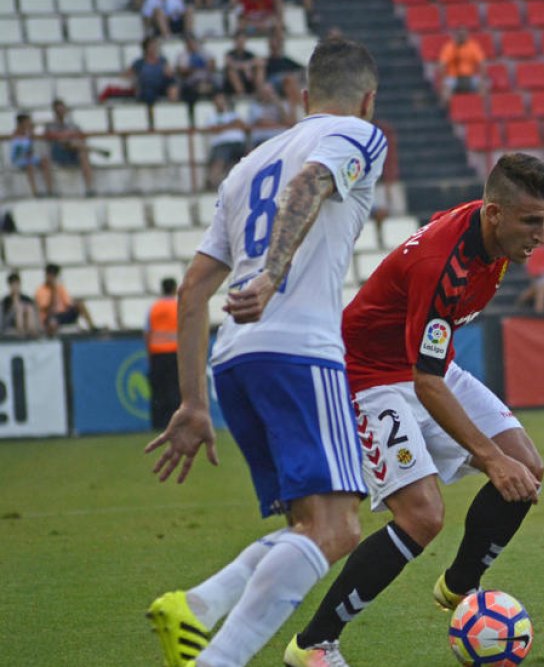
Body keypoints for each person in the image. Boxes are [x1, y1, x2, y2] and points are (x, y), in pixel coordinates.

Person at [143, 37, 386, 667]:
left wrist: (193, 402)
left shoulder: (246, 165)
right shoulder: (359, 134)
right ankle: (215, 658)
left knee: (306, 530)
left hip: (234, 360)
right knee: (337, 529)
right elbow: (310, 182)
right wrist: (274, 276)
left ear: (303, 97)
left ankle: (198, 607)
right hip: (300, 351)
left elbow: (192, 290)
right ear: (368, 99)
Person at [283, 154, 544, 665]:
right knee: (422, 516)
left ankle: (459, 587)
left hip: (429, 367)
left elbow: (432, 371)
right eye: (531, 222)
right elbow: (426, 382)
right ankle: (313, 645)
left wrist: (502, 459)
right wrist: (490, 459)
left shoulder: (493, 238)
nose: (541, 236)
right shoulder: (442, 266)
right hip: (368, 378)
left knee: (528, 467)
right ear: (494, 213)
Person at [146, 277, 181, 431]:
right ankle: (177, 422)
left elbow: (147, 332)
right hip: (175, 353)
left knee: (158, 391)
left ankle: (158, 424)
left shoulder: (154, 307)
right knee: (175, 389)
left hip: (157, 353)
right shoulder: (178, 306)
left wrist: (149, 354)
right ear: (175, 288)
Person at [35, 263, 97, 335]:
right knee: (52, 322)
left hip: (62, 315)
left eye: (54, 275)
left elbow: (68, 304)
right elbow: (48, 309)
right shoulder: (41, 290)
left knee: (79, 303)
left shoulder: (60, 288)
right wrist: (53, 292)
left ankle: (92, 327)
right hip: (50, 316)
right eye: (50, 274)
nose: (52, 277)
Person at [205, 92, 249, 190]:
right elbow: (214, 129)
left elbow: (244, 126)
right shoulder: (212, 116)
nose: (221, 102)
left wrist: (224, 127)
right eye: (218, 100)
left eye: (222, 100)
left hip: (238, 144)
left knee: (249, 157)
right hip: (221, 144)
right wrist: (232, 124)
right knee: (219, 160)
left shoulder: (235, 114)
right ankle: (212, 184)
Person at [10, 113, 54, 197]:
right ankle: (35, 192)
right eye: (27, 121)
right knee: (29, 165)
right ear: (22, 122)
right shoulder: (15, 134)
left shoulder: (28, 134)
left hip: (28, 157)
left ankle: (50, 190)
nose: (29, 123)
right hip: (19, 159)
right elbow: (18, 151)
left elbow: (30, 149)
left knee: (45, 161)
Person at [129, 36, 180, 105]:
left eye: (155, 46)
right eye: (151, 46)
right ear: (146, 48)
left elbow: (170, 73)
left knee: (173, 86)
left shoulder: (162, 60)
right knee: (148, 94)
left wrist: (169, 72)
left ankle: (173, 106)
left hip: (161, 85)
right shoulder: (139, 62)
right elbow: (128, 75)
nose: (154, 48)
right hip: (147, 87)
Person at [438, 28, 486, 100]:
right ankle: (446, 106)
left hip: (470, 76)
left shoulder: (473, 46)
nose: (462, 37)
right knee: (445, 89)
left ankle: (480, 106)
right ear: (456, 35)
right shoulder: (449, 47)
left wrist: (482, 78)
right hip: (453, 77)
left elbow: (482, 63)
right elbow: (442, 64)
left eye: (464, 35)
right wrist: (443, 80)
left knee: (483, 86)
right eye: (460, 35)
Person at [247, 82, 292, 149]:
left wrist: (280, 106)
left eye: (269, 92)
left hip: (278, 136)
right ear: (260, 94)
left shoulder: (280, 105)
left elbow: (288, 122)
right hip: (261, 136)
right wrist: (279, 125)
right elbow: (261, 123)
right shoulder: (255, 106)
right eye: (264, 93)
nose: (267, 95)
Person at [176, 35, 219, 105]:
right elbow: (182, 70)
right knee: (188, 91)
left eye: (193, 42)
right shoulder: (183, 55)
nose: (191, 45)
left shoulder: (203, 52)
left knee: (217, 87)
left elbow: (212, 65)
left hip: (206, 80)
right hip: (191, 82)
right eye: (189, 43)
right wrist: (194, 69)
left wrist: (201, 67)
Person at [2, 272, 41, 338]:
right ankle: (21, 331)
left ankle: (31, 331)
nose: (15, 287)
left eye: (16, 284)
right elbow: (4, 320)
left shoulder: (27, 299)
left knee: (29, 308)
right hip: (11, 324)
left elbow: (34, 312)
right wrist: (14, 307)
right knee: (19, 307)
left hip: (27, 322)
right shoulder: (6, 301)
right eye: (12, 285)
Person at [225, 31, 260, 97]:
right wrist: (244, 66)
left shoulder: (250, 54)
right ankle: (241, 94)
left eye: (242, 40)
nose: (240, 43)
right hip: (234, 81)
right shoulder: (230, 54)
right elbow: (229, 63)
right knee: (231, 71)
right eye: (239, 40)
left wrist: (247, 66)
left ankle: (259, 92)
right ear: (235, 41)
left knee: (259, 69)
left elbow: (258, 61)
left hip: (248, 77)